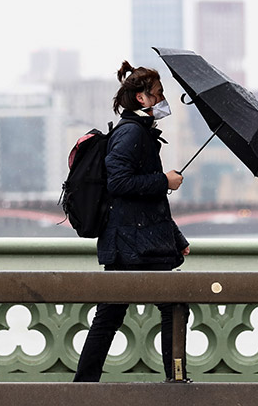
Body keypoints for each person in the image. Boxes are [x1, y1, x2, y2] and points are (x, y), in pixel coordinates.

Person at [73, 60, 191, 383]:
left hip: (134, 241)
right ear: (142, 98)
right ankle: (175, 382)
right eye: (158, 94)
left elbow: (149, 205)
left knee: (111, 315)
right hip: (132, 244)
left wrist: (177, 239)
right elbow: (119, 184)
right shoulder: (130, 134)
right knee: (172, 306)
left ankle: (83, 385)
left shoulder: (139, 132)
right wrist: (165, 181)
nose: (162, 100)